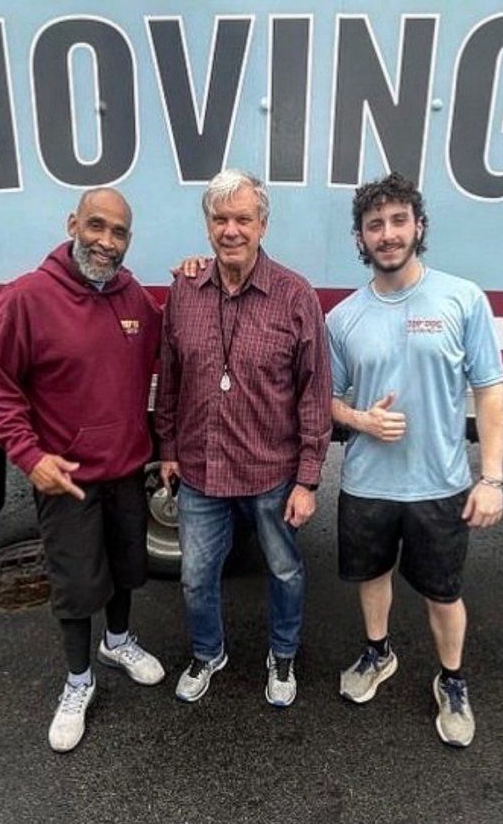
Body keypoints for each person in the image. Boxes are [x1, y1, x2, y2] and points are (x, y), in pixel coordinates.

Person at [0, 188, 164, 753]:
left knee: (128, 568)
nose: (106, 242)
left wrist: (195, 279)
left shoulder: (134, 299)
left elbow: (175, 345)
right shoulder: (27, 298)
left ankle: (119, 641)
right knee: (77, 585)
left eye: (119, 232)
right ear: (72, 224)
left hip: (126, 468)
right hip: (67, 477)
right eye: (96, 226)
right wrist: (30, 457)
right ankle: (78, 681)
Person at [326, 173, 503, 747]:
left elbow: (490, 391)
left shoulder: (462, 298)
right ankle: (378, 653)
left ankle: (452, 681)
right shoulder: (342, 318)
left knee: (443, 594)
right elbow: (325, 399)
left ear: (419, 226)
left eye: (398, 220)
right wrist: (360, 420)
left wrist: (492, 479)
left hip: (440, 485)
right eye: (374, 224)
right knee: (371, 577)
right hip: (368, 485)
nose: (388, 234)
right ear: (360, 238)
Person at [155, 169, 332, 707]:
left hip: (270, 471)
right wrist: (167, 449)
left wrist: (307, 480)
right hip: (200, 469)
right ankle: (208, 653)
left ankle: (283, 654)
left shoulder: (295, 296)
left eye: (243, 219)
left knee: (284, 570)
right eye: (220, 219)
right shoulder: (184, 291)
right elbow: (170, 377)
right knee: (195, 576)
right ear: (207, 226)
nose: (231, 230)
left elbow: (314, 392)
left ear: (262, 225)